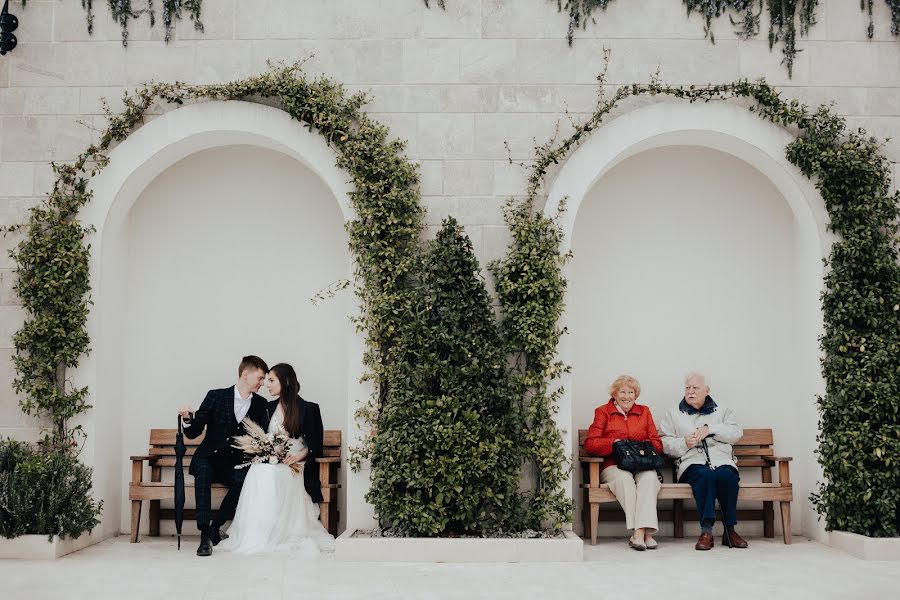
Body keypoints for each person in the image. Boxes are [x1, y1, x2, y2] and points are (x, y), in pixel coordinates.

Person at [219, 363, 333, 555]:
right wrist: (268, 453)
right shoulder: (267, 407)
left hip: (297, 463)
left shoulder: (309, 409)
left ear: (286, 382)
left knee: (276, 474)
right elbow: (260, 437)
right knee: (258, 471)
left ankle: (280, 530)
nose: (267, 385)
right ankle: (258, 533)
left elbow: (315, 445)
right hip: (273, 460)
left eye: (271, 380)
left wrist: (297, 455)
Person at [178, 355, 270, 557]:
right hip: (209, 457)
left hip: (235, 464)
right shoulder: (216, 396)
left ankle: (215, 527)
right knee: (203, 471)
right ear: (245, 374)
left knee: (245, 479)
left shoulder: (261, 404)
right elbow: (193, 432)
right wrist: (187, 419)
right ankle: (204, 535)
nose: (262, 383)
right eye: (260, 378)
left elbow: (262, 438)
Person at [658, 372, 747, 550]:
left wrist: (711, 429)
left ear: (706, 390)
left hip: (722, 461)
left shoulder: (722, 410)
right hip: (691, 463)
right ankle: (706, 531)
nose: (690, 391)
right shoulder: (673, 413)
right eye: (687, 388)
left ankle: (730, 530)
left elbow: (736, 433)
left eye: (695, 388)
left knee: (727, 476)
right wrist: (684, 443)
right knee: (704, 475)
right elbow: (664, 443)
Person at [583, 375, 663, 550]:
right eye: (622, 392)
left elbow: (657, 443)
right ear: (615, 394)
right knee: (625, 480)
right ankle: (644, 533)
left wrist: (643, 446)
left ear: (636, 395)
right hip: (613, 465)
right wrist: (614, 443)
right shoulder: (603, 411)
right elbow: (590, 444)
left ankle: (638, 534)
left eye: (631, 392)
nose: (627, 396)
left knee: (650, 479)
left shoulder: (644, 412)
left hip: (641, 464)